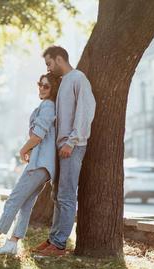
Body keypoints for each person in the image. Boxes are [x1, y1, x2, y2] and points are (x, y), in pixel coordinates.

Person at [0, 73, 59, 255]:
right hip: (43, 165)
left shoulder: (49, 105)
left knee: (14, 199)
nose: (42, 89)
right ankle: (12, 244)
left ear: (53, 90)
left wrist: (22, 150)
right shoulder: (47, 106)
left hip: (40, 163)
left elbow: (38, 135)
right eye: (40, 85)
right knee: (25, 204)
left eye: (46, 86)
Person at [31, 45, 96, 257]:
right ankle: (53, 238)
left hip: (72, 146)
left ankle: (59, 246)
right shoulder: (63, 82)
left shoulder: (78, 78)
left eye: (49, 64)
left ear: (59, 60)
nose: (48, 69)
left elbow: (86, 111)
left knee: (67, 195)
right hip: (60, 146)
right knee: (57, 194)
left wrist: (72, 141)